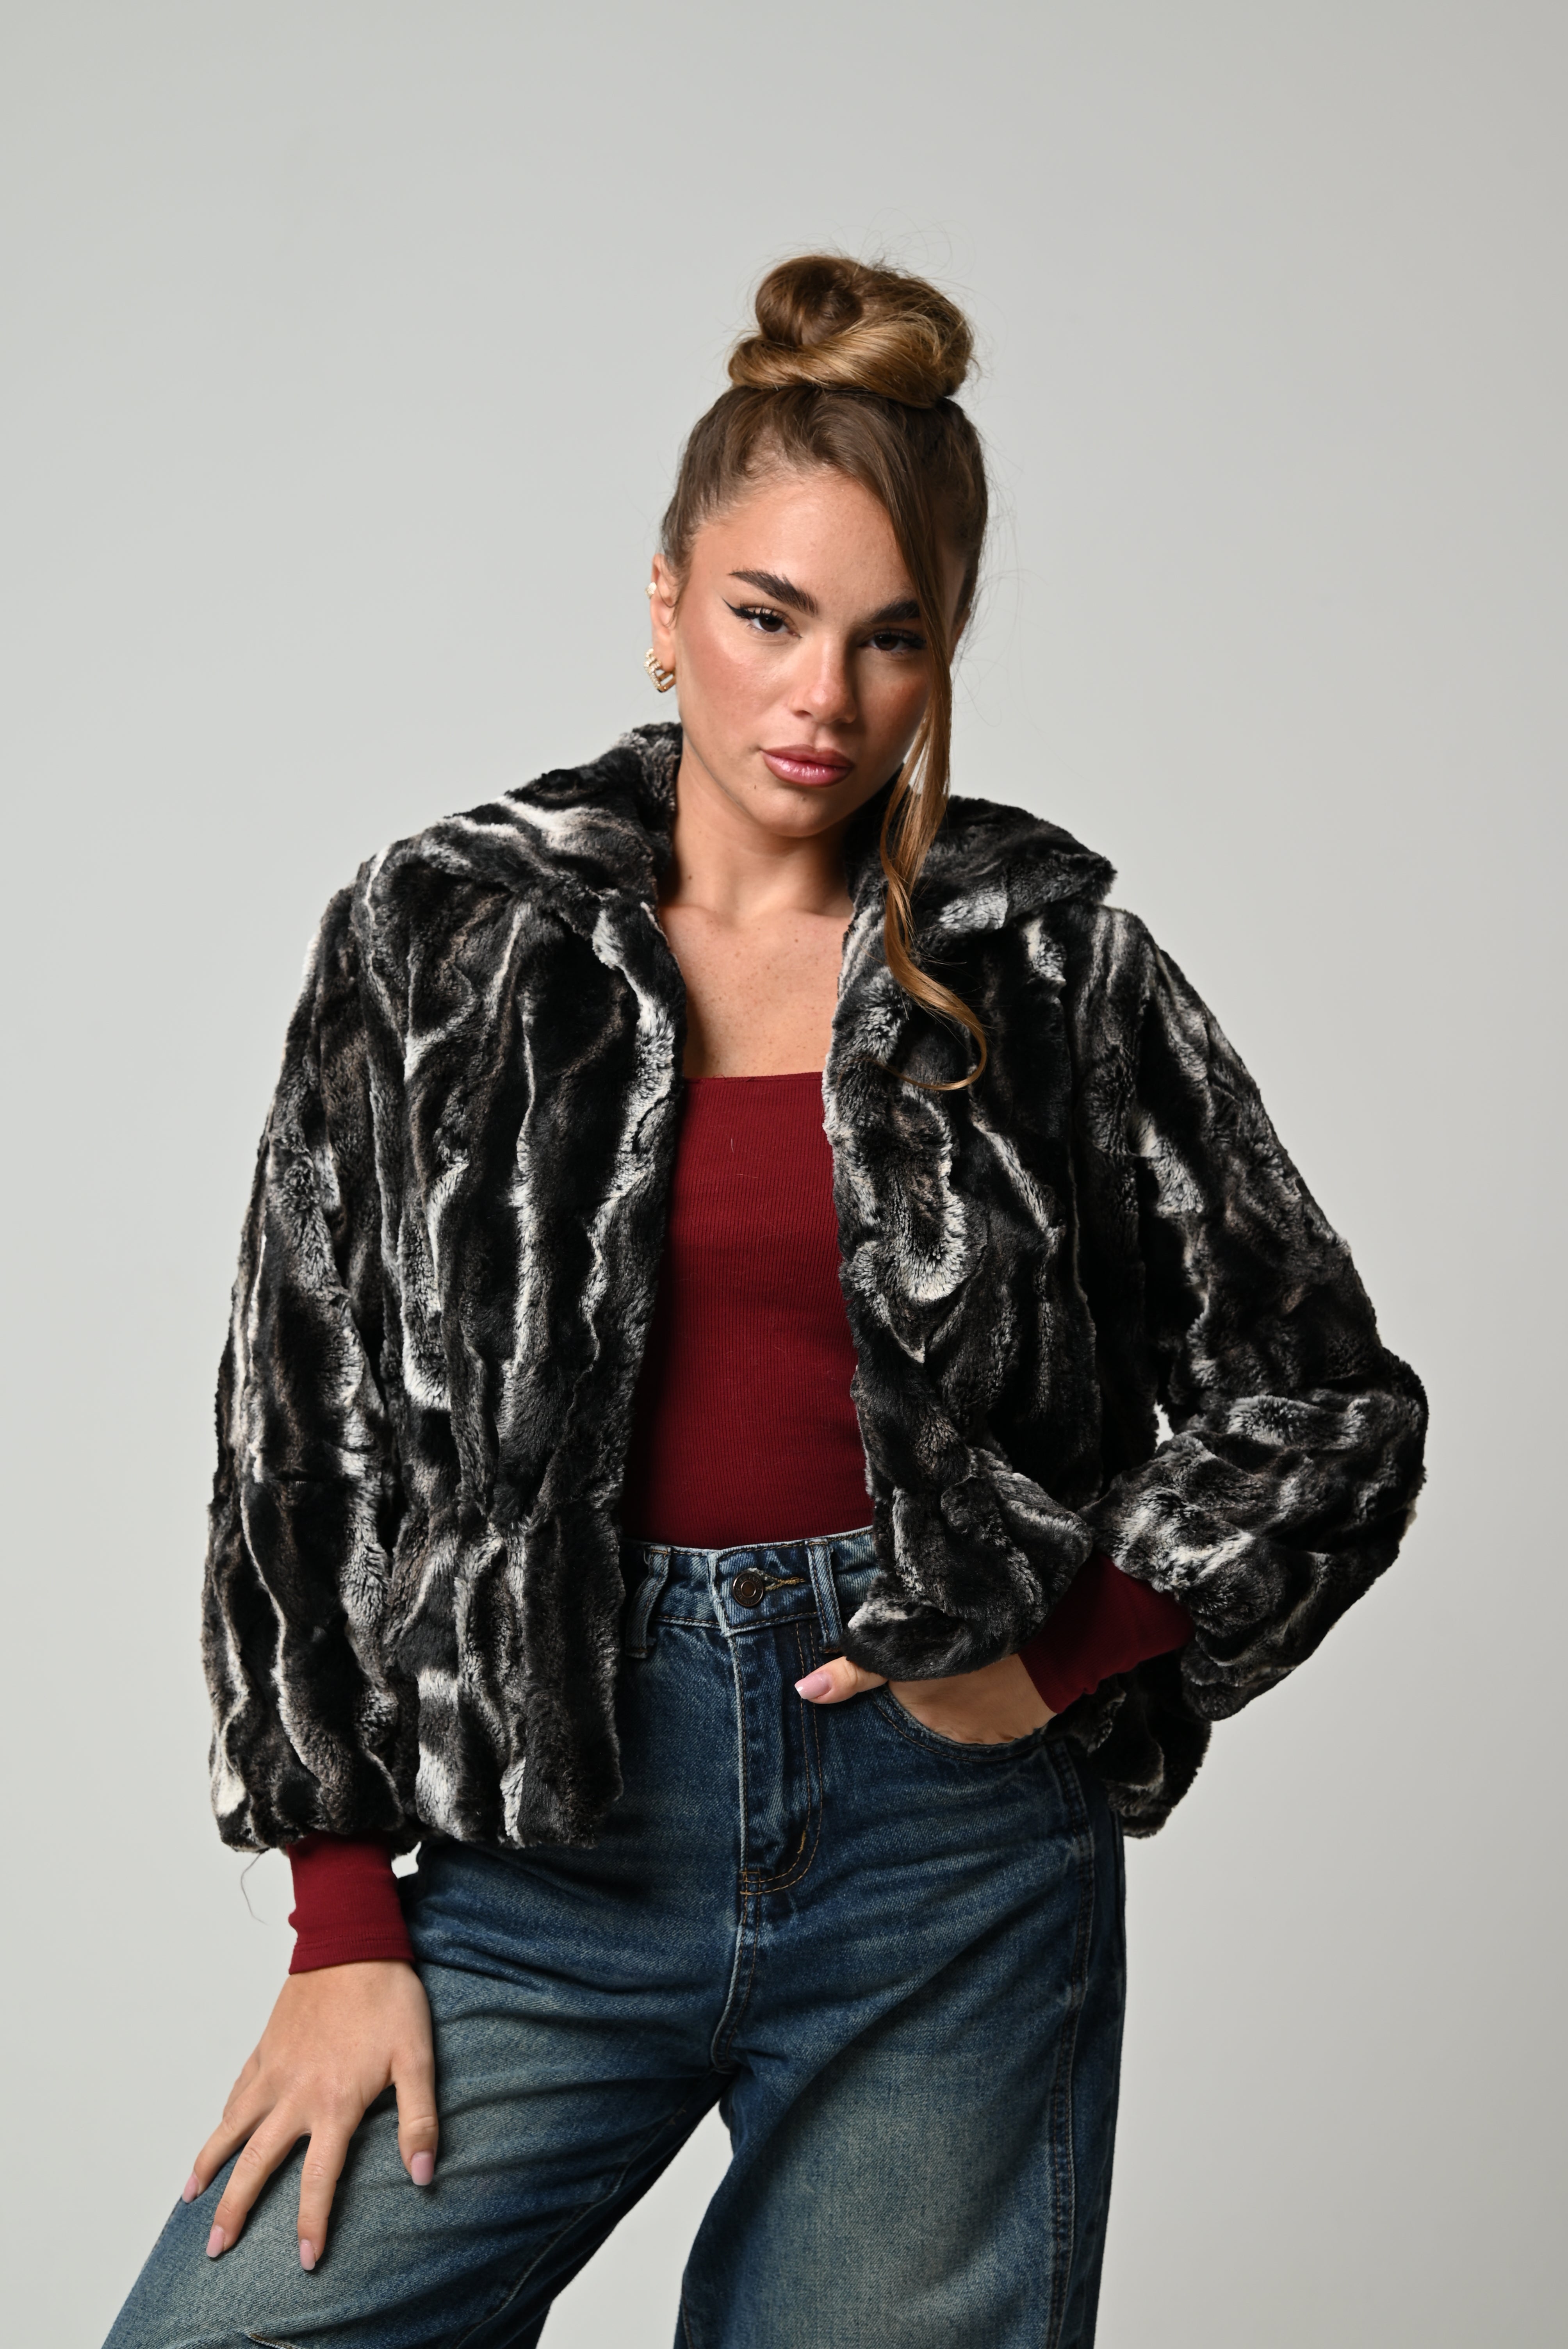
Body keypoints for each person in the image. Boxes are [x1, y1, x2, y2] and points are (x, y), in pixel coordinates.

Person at [106, 255, 1427, 2349]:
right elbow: (303, 1434)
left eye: (893, 639)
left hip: (947, 1868)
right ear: (666, 607)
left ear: (945, 654)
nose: (825, 696)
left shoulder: (1048, 971)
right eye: (768, 616)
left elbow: (1327, 1404)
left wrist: (1071, 1647)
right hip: (553, 1846)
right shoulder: (448, 942)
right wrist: (341, 1917)